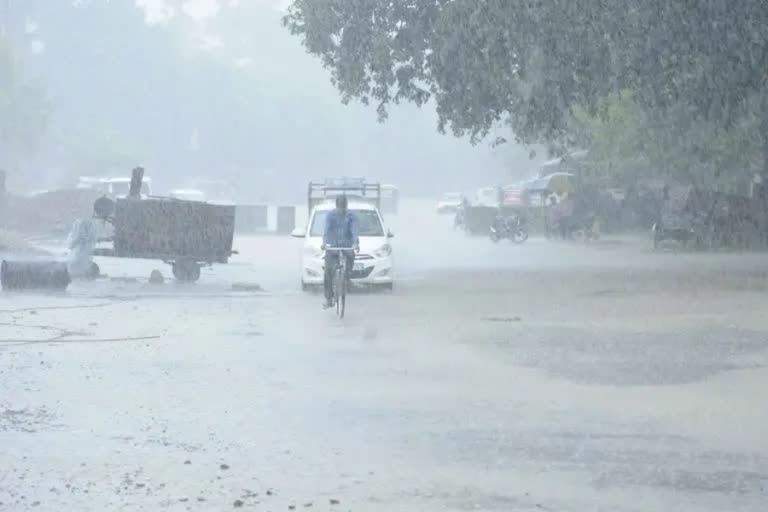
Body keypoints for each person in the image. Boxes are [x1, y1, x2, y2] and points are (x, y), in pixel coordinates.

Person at [322, 195, 359, 308]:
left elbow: (354, 230)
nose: (341, 210)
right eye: (339, 207)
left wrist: (355, 243)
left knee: (351, 257)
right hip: (333, 247)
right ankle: (329, 298)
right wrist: (324, 243)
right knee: (328, 272)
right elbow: (326, 230)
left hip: (347, 246)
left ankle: (347, 278)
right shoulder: (330, 216)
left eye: (343, 207)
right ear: (336, 206)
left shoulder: (351, 216)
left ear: (346, 207)